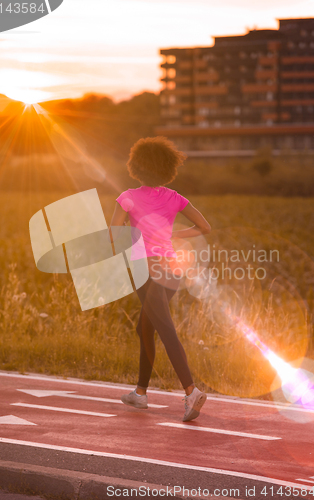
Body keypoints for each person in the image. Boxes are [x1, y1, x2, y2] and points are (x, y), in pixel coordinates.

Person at [109, 136, 211, 422]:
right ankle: (140, 393)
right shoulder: (174, 197)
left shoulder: (127, 197)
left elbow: (114, 234)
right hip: (172, 270)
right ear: (167, 168)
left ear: (136, 166)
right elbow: (205, 226)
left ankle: (191, 391)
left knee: (164, 328)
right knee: (146, 328)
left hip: (147, 271)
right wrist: (174, 235)